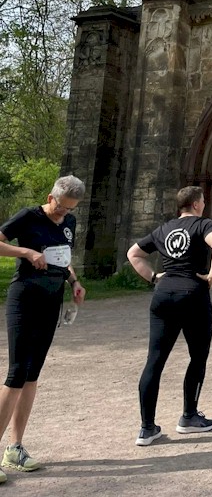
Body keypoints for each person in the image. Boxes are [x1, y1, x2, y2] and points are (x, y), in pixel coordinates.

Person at [127, 185, 212, 446]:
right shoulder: (202, 225)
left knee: (155, 360)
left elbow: (133, 253)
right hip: (192, 294)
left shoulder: (165, 228)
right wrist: (211, 278)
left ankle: (147, 428)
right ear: (196, 204)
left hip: (163, 294)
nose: (204, 204)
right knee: (198, 356)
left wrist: (152, 276)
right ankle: (189, 417)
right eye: (203, 200)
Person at [0, 176, 86, 476]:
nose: (65, 214)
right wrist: (26, 252)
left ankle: (15, 449)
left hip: (53, 300)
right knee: (16, 374)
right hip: (24, 298)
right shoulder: (27, 216)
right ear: (51, 197)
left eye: (70, 210)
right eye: (61, 208)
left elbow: (64, 257)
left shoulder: (69, 222)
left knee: (32, 374)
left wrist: (74, 281)